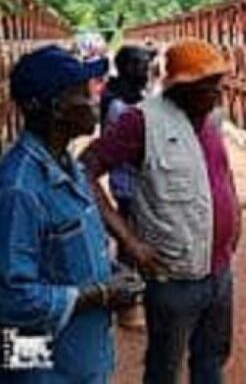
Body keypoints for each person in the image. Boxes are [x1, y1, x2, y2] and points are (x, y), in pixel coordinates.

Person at [80, 39, 241, 384]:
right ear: (180, 86)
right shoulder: (141, 122)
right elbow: (85, 170)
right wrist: (129, 241)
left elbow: (223, 175)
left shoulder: (210, 119)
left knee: (212, 360)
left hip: (220, 270)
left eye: (218, 83)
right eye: (207, 86)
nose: (217, 93)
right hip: (173, 277)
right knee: (165, 368)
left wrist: (235, 217)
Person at [0, 45, 142, 384]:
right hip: (44, 366)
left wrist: (109, 273)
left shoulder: (70, 167)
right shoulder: (19, 190)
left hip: (82, 355)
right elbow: (11, 299)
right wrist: (101, 294)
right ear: (53, 108)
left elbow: (64, 255)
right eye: (82, 93)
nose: (96, 99)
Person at [100, 45, 155, 331]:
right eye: (141, 65)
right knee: (129, 240)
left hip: (138, 183)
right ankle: (127, 307)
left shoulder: (131, 96)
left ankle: (135, 298)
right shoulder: (119, 105)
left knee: (134, 237)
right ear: (125, 67)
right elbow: (133, 149)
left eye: (147, 64)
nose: (146, 71)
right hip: (130, 184)